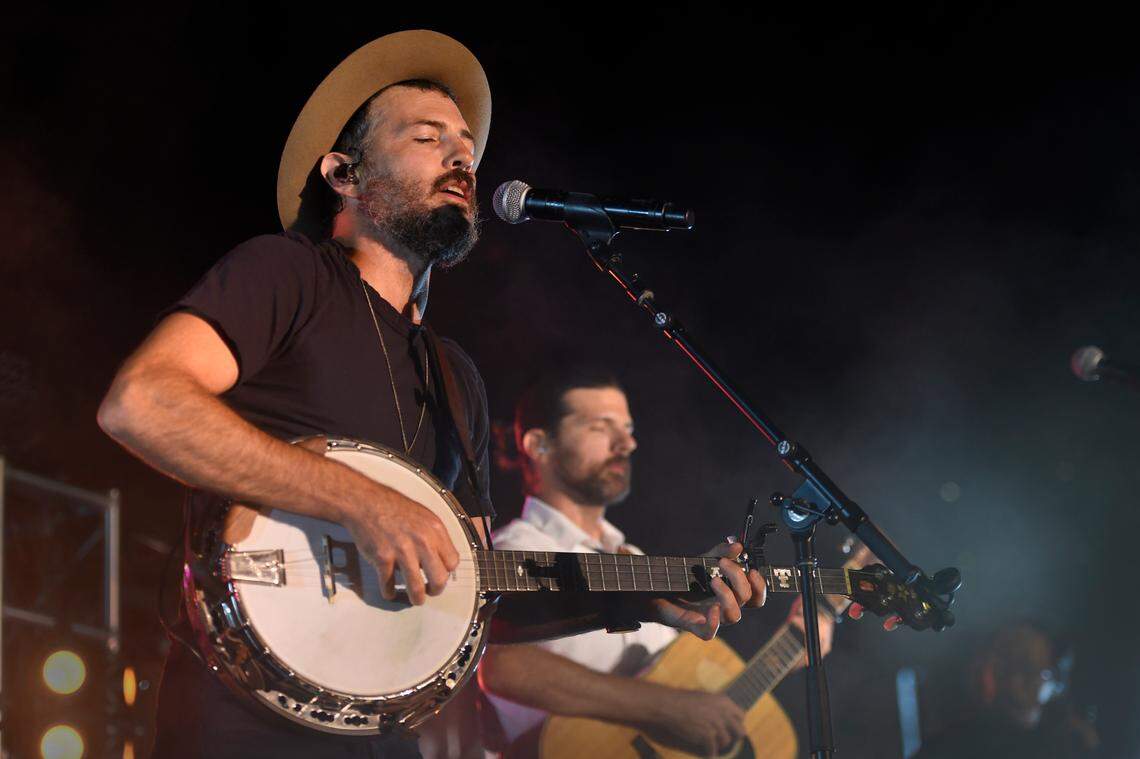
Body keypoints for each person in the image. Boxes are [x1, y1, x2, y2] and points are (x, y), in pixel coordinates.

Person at [96, 30, 763, 758]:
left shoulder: (454, 376)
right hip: (242, 726)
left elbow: (476, 595)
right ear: (344, 174)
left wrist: (642, 593)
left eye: (467, 146)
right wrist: (360, 498)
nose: (461, 157)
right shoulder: (287, 275)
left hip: (385, 737)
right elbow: (142, 403)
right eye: (427, 136)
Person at [475, 366, 836, 757]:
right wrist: (665, 709)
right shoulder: (512, 550)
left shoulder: (635, 558)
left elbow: (685, 689)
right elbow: (500, 665)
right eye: (601, 426)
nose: (627, 444)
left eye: (628, 429)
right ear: (538, 444)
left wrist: (790, 649)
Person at [913, 624, 1098, 759]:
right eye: (1010, 661)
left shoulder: (1070, 744)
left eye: (1028, 666)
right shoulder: (955, 743)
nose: (1016, 676)